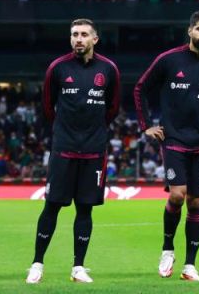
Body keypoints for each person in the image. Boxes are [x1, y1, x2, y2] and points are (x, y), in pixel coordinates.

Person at [136, 10, 199, 281]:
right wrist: (146, 124)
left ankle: (190, 265)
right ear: (190, 30)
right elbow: (141, 89)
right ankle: (168, 249)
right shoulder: (169, 60)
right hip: (175, 140)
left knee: (196, 203)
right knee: (177, 196)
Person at [26, 19, 121, 285]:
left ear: (95, 39)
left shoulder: (108, 69)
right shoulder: (57, 68)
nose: (78, 39)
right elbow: (47, 106)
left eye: (83, 35)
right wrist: (63, 131)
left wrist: (95, 131)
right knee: (52, 206)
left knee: (85, 209)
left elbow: (112, 108)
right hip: (64, 149)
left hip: (94, 150)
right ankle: (37, 264)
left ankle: (78, 267)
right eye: (74, 35)